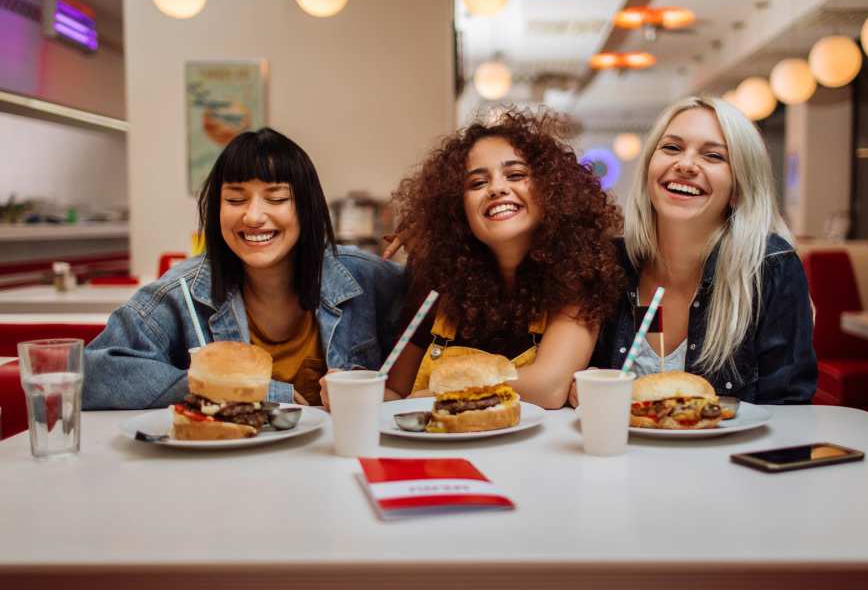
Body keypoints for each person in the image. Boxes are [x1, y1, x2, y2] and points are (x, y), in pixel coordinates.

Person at [84, 128, 405, 409]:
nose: (253, 216)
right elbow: (94, 374)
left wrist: (434, 241)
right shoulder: (182, 292)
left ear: (307, 208)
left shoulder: (364, 277)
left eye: (276, 198)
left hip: (338, 468)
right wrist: (236, 390)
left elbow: (444, 316)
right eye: (235, 200)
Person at [383, 109, 624, 409]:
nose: (497, 188)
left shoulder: (578, 276)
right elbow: (395, 392)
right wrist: (352, 390)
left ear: (551, 191)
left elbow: (549, 386)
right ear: (458, 209)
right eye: (477, 183)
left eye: (516, 175)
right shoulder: (436, 284)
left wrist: (445, 395)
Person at [589, 96, 817, 405]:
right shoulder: (610, 264)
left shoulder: (770, 267)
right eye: (671, 148)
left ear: (739, 187)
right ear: (647, 169)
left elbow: (789, 408)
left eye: (713, 156)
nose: (685, 164)